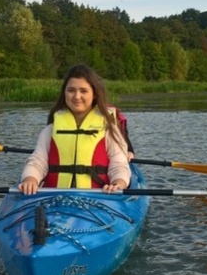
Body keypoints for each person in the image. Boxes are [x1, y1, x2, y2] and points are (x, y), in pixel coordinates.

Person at [18, 64, 131, 195]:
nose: (77, 96)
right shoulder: (50, 130)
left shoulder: (108, 130)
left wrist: (118, 183)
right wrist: (30, 179)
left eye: (84, 91)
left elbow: (119, 165)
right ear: (64, 93)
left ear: (94, 94)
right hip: (54, 196)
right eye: (71, 90)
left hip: (98, 197)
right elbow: (38, 161)